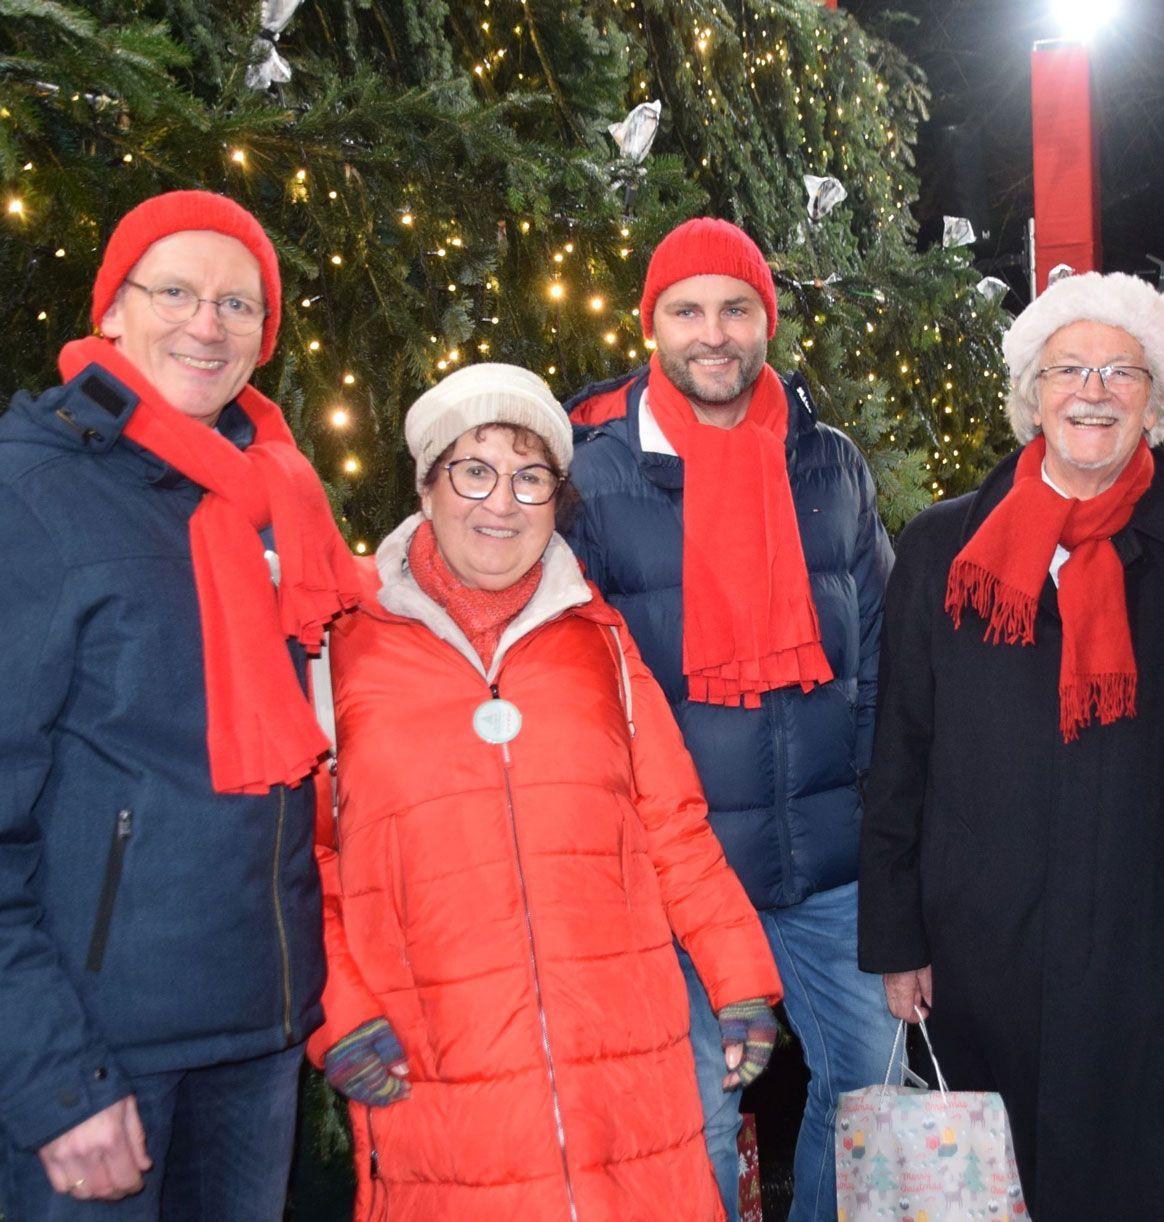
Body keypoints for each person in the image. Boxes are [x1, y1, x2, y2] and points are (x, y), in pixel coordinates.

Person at [307, 361, 783, 1221]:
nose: (501, 503)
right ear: (425, 484)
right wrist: (335, 1006)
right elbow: (301, 859)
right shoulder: (340, 643)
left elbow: (673, 827)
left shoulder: (600, 642)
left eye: (530, 478)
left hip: (624, 1083)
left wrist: (740, 976)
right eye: (474, 470)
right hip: (443, 1082)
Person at [0, 190, 359, 1218]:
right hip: (101, 1055)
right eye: (175, 293)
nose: (207, 324)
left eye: (237, 305)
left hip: (256, 1033)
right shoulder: (31, 494)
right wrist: (54, 1078)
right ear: (113, 309)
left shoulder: (275, 496)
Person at [565, 217, 895, 1222]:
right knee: (701, 1125)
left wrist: (878, 812)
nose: (713, 333)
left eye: (736, 308)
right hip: (682, 876)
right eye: (687, 310)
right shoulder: (594, 475)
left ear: (768, 320)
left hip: (828, 866)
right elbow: (578, 690)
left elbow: (879, 651)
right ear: (651, 324)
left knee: (874, 1086)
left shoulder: (829, 464)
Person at [859, 271, 1164, 1219]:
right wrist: (897, 940)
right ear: (1031, 396)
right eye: (1068, 370)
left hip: (1145, 951)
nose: (1094, 391)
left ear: (1156, 404)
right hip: (977, 949)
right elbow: (901, 749)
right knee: (991, 1184)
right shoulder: (943, 548)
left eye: (1122, 371)